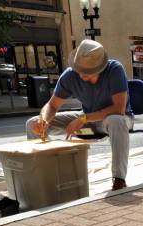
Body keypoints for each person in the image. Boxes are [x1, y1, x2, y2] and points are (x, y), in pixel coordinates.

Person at [26, 40, 134, 191]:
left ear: (101, 68)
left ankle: (119, 179)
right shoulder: (70, 75)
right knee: (32, 123)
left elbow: (119, 109)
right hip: (88, 120)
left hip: (116, 119)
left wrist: (83, 119)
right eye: (79, 71)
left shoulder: (115, 70)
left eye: (87, 73)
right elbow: (52, 105)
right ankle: (45, 173)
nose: (82, 76)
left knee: (116, 120)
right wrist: (43, 119)